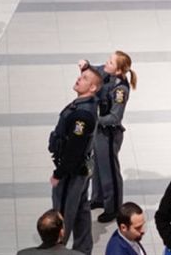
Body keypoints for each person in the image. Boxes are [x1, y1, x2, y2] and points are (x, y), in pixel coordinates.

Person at [49, 65, 102, 255]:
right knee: (81, 209)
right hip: (80, 170)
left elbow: (74, 149)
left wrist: (59, 173)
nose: (80, 79)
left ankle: (58, 249)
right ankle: (83, 249)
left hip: (71, 173)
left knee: (61, 214)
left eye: (85, 78)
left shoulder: (82, 115)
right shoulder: (85, 105)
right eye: (81, 76)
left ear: (93, 88)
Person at [88, 51, 136, 223]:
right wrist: (85, 65)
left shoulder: (120, 90)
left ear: (118, 71)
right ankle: (98, 198)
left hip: (109, 133)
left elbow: (115, 117)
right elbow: (96, 70)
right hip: (99, 131)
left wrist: (95, 120)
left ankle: (113, 207)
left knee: (109, 171)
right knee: (98, 168)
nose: (105, 64)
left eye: (110, 63)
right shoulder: (107, 74)